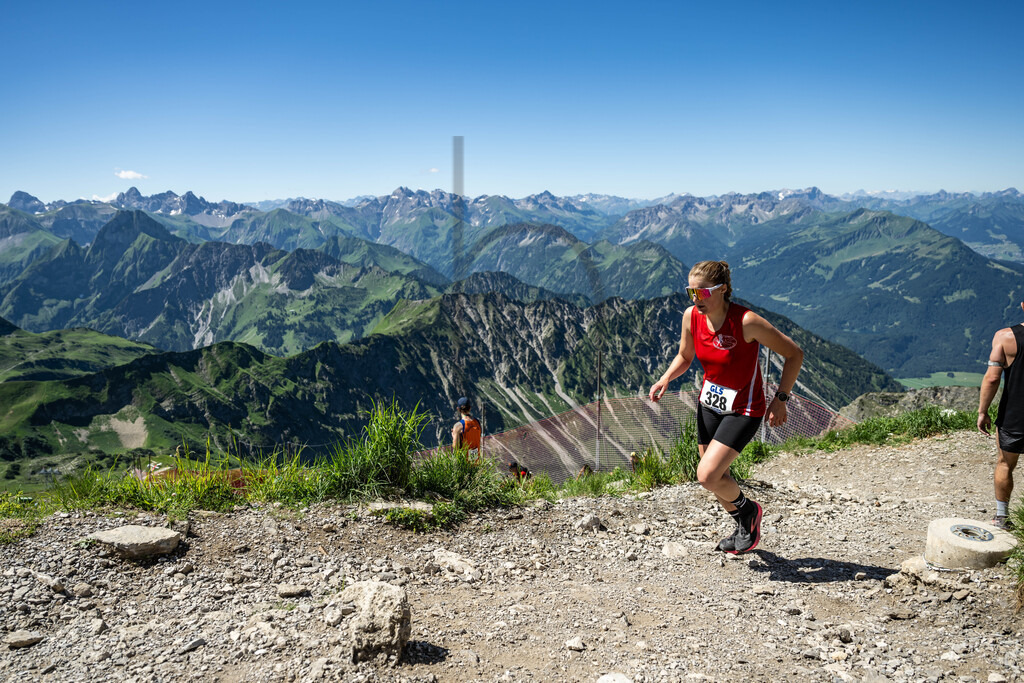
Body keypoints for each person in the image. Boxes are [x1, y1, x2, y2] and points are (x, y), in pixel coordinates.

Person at [649, 260, 803, 554]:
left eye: (703, 292)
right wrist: (666, 378)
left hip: (744, 408)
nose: (696, 299)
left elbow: (795, 354)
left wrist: (781, 398)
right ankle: (743, 526)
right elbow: (685, 356)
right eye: (691, 292)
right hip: (709, 404)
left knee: (707, 475)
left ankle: (748, 511)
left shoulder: (746, 322)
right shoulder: (691, 316)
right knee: (717, 478)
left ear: (722, 290)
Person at [977, 302, 1024, 530]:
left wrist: (982, 411)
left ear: (1023, 306)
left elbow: (992, 378)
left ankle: (1002, 517)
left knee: (1005, 463)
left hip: (1014, 415)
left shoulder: (1005, 337)